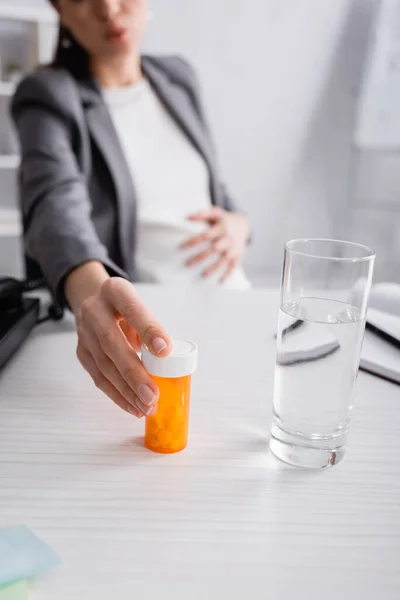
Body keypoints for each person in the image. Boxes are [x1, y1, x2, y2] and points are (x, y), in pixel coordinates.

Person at [11, 0, 251, 420]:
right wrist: (92, 291)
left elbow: (214, 192)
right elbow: (54, 206)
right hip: (159, 330)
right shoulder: (48, 95)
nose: (108, 8)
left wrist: (239, 224)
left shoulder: (178, 76)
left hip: (237, 305)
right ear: (60, 11)